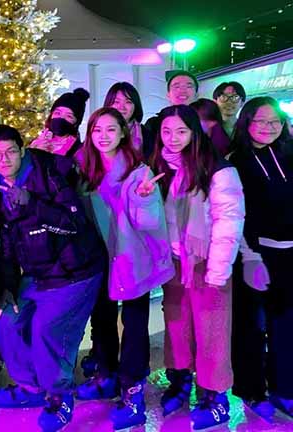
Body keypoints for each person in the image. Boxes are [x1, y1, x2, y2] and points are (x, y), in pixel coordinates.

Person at [0, 124, 106, 432]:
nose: (4, 159)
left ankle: (59, 394)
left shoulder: (49, 172)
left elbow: (73, 224)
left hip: (76, 271)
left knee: (45, 329)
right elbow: (7, 243)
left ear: (22, 150)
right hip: (39, 273)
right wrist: (9, 288)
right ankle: (30, 388)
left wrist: (32, 202)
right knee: (8, 320)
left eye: (11, 152)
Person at [75, 108, 175, 429]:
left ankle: (132, 390)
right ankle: (106, 374)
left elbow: (150, 224)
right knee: (102, 319)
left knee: (134, 324)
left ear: (123, 133)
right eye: (96, 130)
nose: (103, 136)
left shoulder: (138, 171)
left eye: (110, 129)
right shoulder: (84, 170)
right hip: (100, 258)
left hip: (133, 259)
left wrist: (146, 198)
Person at [150, 105, 244, 429]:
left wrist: (218, 272)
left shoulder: (218, 170)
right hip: (174, 265)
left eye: (181, 131)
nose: (173, 139)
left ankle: (214, 395)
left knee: (211, 332)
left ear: (194, 132)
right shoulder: (160, 168)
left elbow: (228, 222)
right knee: (178, 328)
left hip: (206, 264)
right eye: (166, 131)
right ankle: (181, 382)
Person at [228, 97, 293, 421]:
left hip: (290, 256)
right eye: (261, 121)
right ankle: (252, 388)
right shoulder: (235, 161)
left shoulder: (290, 154)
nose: (268, 127)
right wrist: (250, 256)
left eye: (275, 122)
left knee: (287, 325)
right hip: (255, 255)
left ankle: (285, 387)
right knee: (251, 328)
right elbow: (233, 215)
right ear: (247, 122)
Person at [143, 70, 199, 159]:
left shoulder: (205, 121)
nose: (182, 90)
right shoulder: (154, 124)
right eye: (176, 86)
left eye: (189, 86)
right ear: (168, 94)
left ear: (197, 95)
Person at [29, 88, 89, 157]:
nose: (61, 118)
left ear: (76, 123)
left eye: (69, 116)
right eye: (57, 113)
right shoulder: (38, 141)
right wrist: (33, 152)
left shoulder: (78, 151)